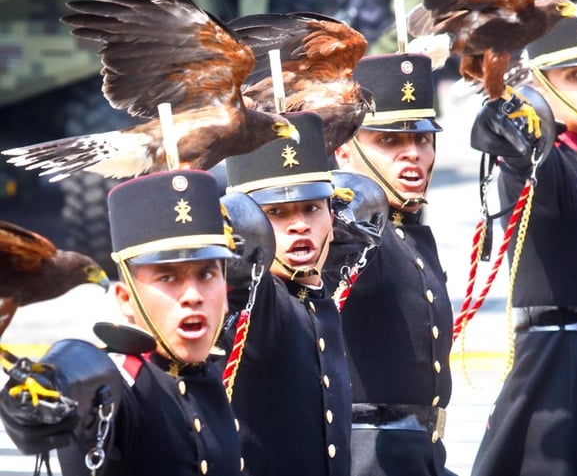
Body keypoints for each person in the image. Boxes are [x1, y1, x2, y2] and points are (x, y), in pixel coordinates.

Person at [0, 169, 241, 475]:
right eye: (167, 277)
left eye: (206, 274)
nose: (192, 295)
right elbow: (85, 377)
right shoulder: (125, 384)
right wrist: (47, 386)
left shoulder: (225, 360)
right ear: (125, 299)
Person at [329, 53, 454, 476]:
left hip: (423, 456)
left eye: (421, 139)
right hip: (370, 458)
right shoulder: (347, 230)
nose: (412, 154)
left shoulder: (410, 232)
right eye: (388, 141)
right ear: (344, 152)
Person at [222, 111, 352, 476]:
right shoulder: (262, 303)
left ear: (332, 215)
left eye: (312, 208)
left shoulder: (315, 297)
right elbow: (245, 282)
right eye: (276, 213)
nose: (298, 225)